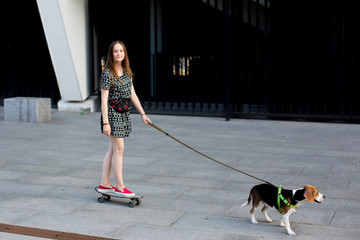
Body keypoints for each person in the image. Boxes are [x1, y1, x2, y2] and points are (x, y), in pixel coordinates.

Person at [98, 40, 151, 197]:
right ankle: (120, 186)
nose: (119, 53)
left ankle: (104, 184)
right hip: (112, 114)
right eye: (115, 51)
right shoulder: (108, 74)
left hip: (123, 113)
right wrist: (106, 123)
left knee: (112, 149)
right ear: (111, 54)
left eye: (121, 51)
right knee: (119, 149)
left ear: (124, 54)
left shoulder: (127, 73)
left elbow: (132, 94)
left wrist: (143, 113)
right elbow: (103, 100)